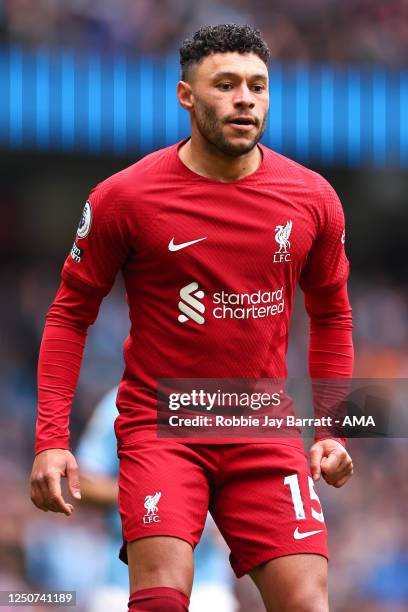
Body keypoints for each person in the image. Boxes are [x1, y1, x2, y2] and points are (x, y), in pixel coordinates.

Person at [30, 24, 354, 612]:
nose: (244, 99)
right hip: (163, 425)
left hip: (262, 427)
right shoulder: (125, 198)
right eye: (225, 85)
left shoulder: (312, 198)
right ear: (186, 95)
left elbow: (332, 313)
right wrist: (51, 440)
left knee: (307, 602)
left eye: (257, 86)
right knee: (162, 598)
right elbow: (69, 314)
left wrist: (331, 428)